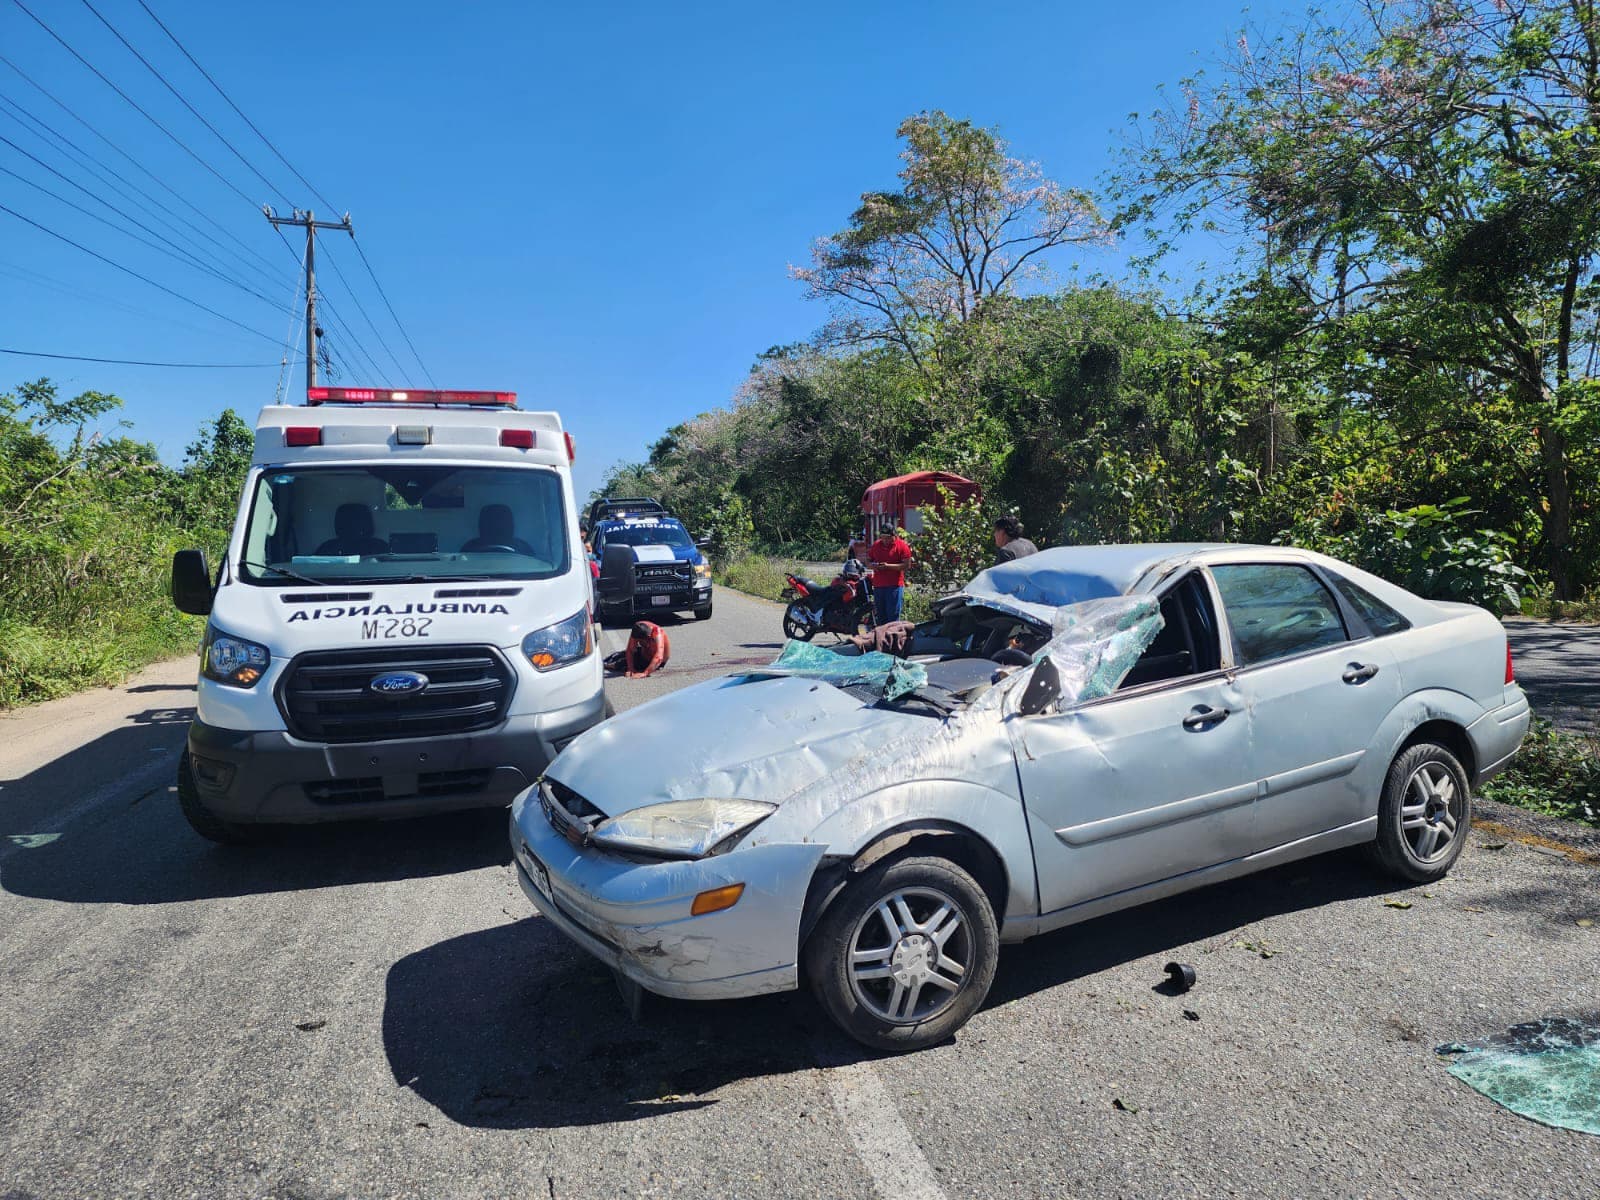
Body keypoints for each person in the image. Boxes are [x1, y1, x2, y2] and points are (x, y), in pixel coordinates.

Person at [866, 525, 913, 625]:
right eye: (882, 537)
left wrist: (888, 566)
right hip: (879, 586)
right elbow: (868, 562)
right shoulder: (876, 545)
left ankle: (893, 639)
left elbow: (906, 565)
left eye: (887, 537)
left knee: (893, 616)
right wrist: (874, 566)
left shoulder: (902, 546)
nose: (885, 540)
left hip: (894, 586)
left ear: (894, 536)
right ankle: (882, 639)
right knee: (881, 616)